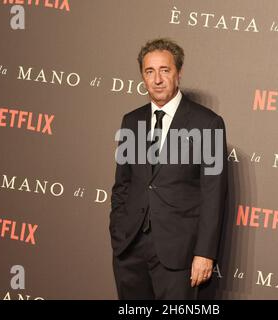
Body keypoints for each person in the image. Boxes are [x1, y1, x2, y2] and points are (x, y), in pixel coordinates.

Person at [110, 38, 228, 300]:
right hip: (130, 250)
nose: (157, 79)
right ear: (142, 76)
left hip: (179, 253)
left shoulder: (207, 123)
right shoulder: (131, 120)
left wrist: (205, 253)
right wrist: (119, 237)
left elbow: (214, 194)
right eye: (149, 72)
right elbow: (122, 185)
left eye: (165, 70)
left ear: (179, 73)